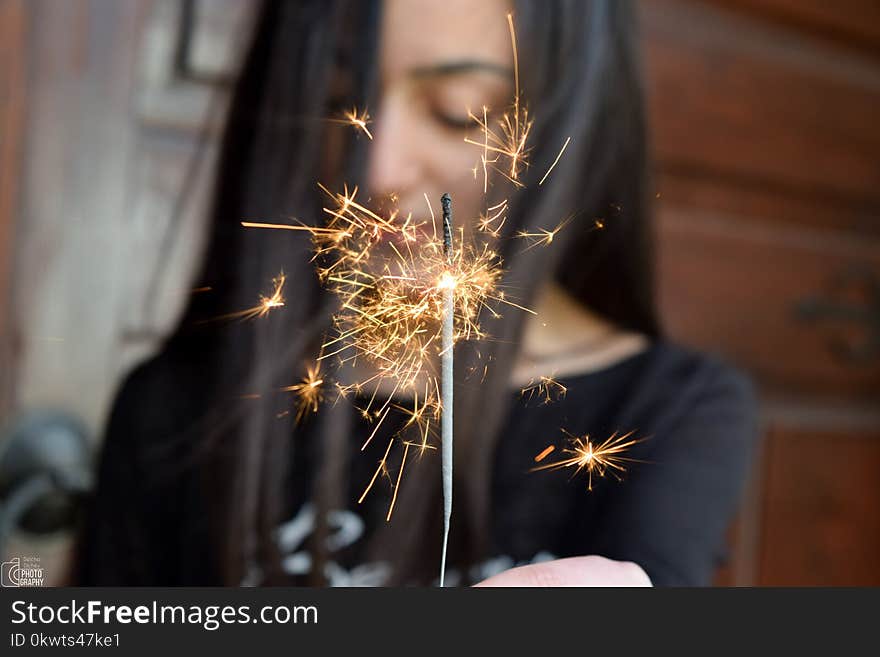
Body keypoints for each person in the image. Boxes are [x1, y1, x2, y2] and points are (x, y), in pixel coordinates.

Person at [73, 0, 757, 587]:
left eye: (458, 113)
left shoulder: (668, 412)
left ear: (569, 124)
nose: (378, 169)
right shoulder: (178, 409)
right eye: (341, 101)